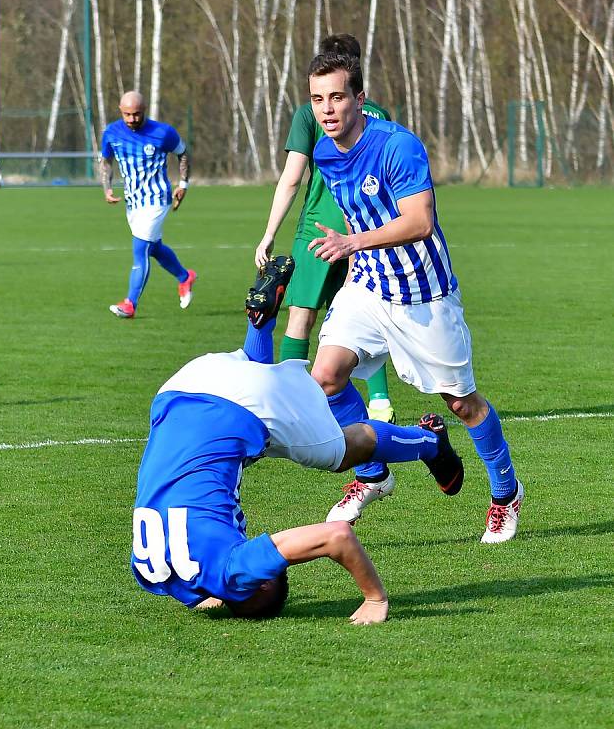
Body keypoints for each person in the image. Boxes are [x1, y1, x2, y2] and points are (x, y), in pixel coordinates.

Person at [131, 256, 464, 623]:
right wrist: (213, 595)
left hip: (237, 405)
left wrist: (375, 599)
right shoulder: (152, 573)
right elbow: (197, 585)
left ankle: (427, 444)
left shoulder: (235, 572)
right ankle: (260, 323)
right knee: (249, 433)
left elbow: (337, 536)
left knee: (342, 449)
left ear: (258, 584)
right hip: (181, 390)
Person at [305, 52, 524, 544]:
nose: (327, 109)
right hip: (367, 285)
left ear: (360, 99)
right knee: (326, 376)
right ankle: (374, 475)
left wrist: (351, 242)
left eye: (337, 97)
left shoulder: (398, 147)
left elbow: (419, 221)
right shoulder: (324, 152)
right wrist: (353, 253)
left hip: (424, 295)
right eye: (318, 99)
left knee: (462, 404)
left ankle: (506, 493)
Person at [255, 34, 396, 425]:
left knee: (301, 316)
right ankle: (380, 402)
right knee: (367, 317)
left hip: (319, 230)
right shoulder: (380, 113)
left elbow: (292, 178)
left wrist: (269, 233)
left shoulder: (307, 113)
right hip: (368, 232)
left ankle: (289, 404)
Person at [100, 91, 196, 318]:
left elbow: (183, 154)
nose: (132, 119)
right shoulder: (112, 133)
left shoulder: (163, 132)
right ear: (120, 112)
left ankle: (130, 304)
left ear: (144, 111)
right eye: (127, 115)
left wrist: (183, 184)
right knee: (153, 248)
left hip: (156, 200)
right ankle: (185, 277)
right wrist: (107, 188)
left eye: (136, 114)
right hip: (133, 201)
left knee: (140, 248)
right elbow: (106, 161)